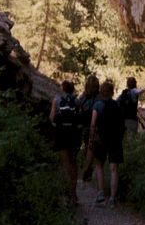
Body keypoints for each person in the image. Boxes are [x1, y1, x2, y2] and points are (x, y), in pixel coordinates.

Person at [88, 79, 125, 207]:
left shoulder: (97, 105)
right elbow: (122, 124)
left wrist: (91, 140)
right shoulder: (117, 105)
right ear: (112, 92)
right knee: (114, 169)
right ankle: (113, 199)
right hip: (115, 140)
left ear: (102, 92)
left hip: (101, 139)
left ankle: (100, 195)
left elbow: (93, 124)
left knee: (99, 166)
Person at [49, 79, 82, 206]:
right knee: (74, 163)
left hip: (62, 134)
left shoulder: (56, 100)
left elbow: (51, 118)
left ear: (62, 89)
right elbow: (81, 116)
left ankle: (68, 195)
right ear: (72, 89)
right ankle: (74, 194)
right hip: (74, 134)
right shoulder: (76, 100)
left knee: (66, 163)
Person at [76, 73, 100, 181]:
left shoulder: (84, 96)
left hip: (84, 125)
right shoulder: (99, 97)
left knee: (88, 148)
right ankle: (87, 170)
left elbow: (77, 104)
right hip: (95, 126)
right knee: (91, 149)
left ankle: (86, 170)